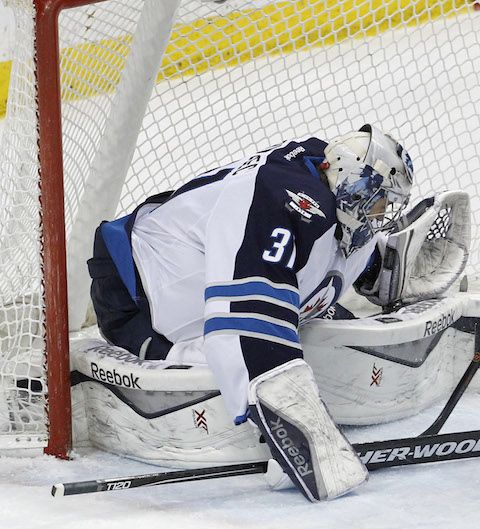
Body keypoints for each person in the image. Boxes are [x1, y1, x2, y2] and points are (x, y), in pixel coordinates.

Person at [87, 125, 417, 501]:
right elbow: (244, 327)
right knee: (240, 345)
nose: (381, 212)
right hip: (134, 294)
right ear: (355, 182)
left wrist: (383, 265)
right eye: (379, 200)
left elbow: (333, 245)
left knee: (295, 307)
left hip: (175, 268)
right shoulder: (281, 198)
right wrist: (296, 430)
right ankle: (171, 354)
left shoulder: (322, 180)